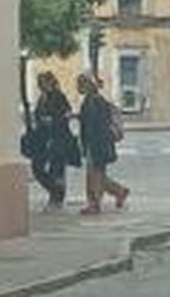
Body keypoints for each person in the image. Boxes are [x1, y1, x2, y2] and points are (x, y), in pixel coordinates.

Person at [75, 73, 129, 213]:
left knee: (94, 175)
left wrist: (91, 145)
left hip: (97, 144)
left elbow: (96, 124)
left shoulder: (95, 101)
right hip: (96, 144)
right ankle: (119, 191)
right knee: (97, 175)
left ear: (89, 85)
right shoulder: (92, 100)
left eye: (81, 83)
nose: (78, 86)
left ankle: (94, 204)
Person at [27, 70, 77, 209]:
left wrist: (53, 120)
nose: (40, 85)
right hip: (42, 138)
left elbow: (67, 113)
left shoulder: (58, 96)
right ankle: (55, 191)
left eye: (42, 82)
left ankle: (57, 198)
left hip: (58, 137)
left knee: (57, 168)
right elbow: (38, 115)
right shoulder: (42, 97)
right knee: (37, 168)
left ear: (50, 82)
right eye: (39, 83)